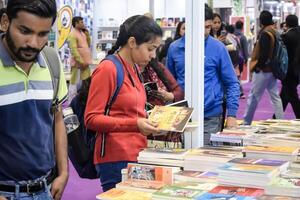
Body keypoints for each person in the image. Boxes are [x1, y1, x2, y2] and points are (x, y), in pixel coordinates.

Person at [84, 15, 161, 192]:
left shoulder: (134, 68)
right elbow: (92, 118)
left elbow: (132, 111)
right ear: (132, 42)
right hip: (115, 158)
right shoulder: (108, 69)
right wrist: (135, 124)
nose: (153, 55)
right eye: (150, 48)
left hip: (137, 153)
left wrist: (151, 121)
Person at [0, 0, 68, 200]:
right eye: (25, 31)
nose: (34, 43)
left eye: (42, 34)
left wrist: (63, 172)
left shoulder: (51, 61)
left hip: (45, 188)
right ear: (5, 22)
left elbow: (57, 118)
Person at [204, 4, 240, 145]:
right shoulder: (176, 49)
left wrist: (231, 114)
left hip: (211, 115)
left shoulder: (218, 47)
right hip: (181, 117)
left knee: (205, 159)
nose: (204, 32)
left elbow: (231, 82)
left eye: (208, 27)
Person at [243, 10, 284, 125]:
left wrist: (258, 66)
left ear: (261, 21)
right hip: (272, 70)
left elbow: (264, 53)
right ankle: (281, 121)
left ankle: (246, 122)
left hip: (263, 71)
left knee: (253, 97)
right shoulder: (275, 32)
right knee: (275, 97)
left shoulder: (265, 33)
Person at [278, 15, 300, 118]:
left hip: (289, 70)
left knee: (292, 95)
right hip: (297, 70)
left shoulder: (286, 36)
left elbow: (281, 54)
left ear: (286, 23)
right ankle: (276, 117)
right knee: (285, 95)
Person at [67, 16, 92, 103]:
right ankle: (71, 104)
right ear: (76, 23)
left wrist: (87, 34)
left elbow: (88, 45)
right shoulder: (72, 34)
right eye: (81, 22)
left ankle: (83, 103)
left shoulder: (82, 33)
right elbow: (73, 50)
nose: (83, 24)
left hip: (85, 64)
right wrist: (81, 62)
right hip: (78, 65)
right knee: (74, 86)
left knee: (85, 85)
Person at [234, 20, 249, 98]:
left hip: (233, 58)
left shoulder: (232, 35)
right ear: (242, 27)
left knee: (235, 75)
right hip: (240, 59)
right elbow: (245, 49)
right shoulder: (243, 37)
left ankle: (236, 91)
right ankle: (240, 92)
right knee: (238, 75)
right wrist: (246, 59)